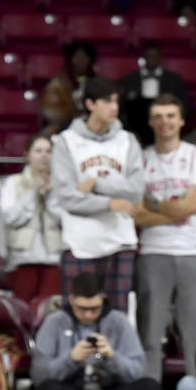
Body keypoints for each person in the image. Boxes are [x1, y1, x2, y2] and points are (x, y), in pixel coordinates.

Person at [133, 95, 196, 385]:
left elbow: (195, 206)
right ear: (151, 122)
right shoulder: (140, 160)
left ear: (181, 120)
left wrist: (154, 204)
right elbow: (135, 214)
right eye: (158, 116)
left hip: (193, 253)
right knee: (150, 332)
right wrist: (174, 209)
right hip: (153, 253)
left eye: (170, 115)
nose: (164, 121)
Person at [51, 78, 145, 312]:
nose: (114, 107)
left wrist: (95, 183)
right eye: (107, 101)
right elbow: (68, 197)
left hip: (120, 240)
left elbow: (136, 189)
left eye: (116, 101)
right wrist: (111, 203)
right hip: (80, 242)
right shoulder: (66, 142)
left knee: (116, 316)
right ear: (90, 104)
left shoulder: (127, 141)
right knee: (76, 313)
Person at [31, 273, 161, 390]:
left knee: (151, 386)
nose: (88, 315)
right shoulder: (55, 321)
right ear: (71, 300)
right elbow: (39, 375)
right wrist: (71, 359)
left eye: (94, 309)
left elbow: (137, 371)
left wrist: (112, 357)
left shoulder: (118, 321)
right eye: (82, 309)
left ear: (103, 299)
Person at [0, 134, 64, 304]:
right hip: (22, 258)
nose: (44, 155)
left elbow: (66, 219)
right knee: (22, 310)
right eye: (38, 151)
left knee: (49, 309)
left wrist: (50, 197)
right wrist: (32, 193)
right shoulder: (13, 183)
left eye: (49, 151)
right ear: (27, 155)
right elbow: (10, 217)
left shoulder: (62, 185)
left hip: (53, 259)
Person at [119, 43, 188, 146]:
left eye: (155, 56)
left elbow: (184, 105)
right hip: (136, 129)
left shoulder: (174, 80)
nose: (152, 59)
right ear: (143, 58)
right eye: (149, 56)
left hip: (165, 125)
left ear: (160, 58)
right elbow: (122, 108)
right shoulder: (129, 80)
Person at [41, 41, 97, 131]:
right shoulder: (58, 84)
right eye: (77, 56)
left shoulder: (99, 83)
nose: (81, 60)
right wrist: (71, 115)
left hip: (94, 126)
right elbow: (49, 111)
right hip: (63, 126)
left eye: (84, 56)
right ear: (70, 59)